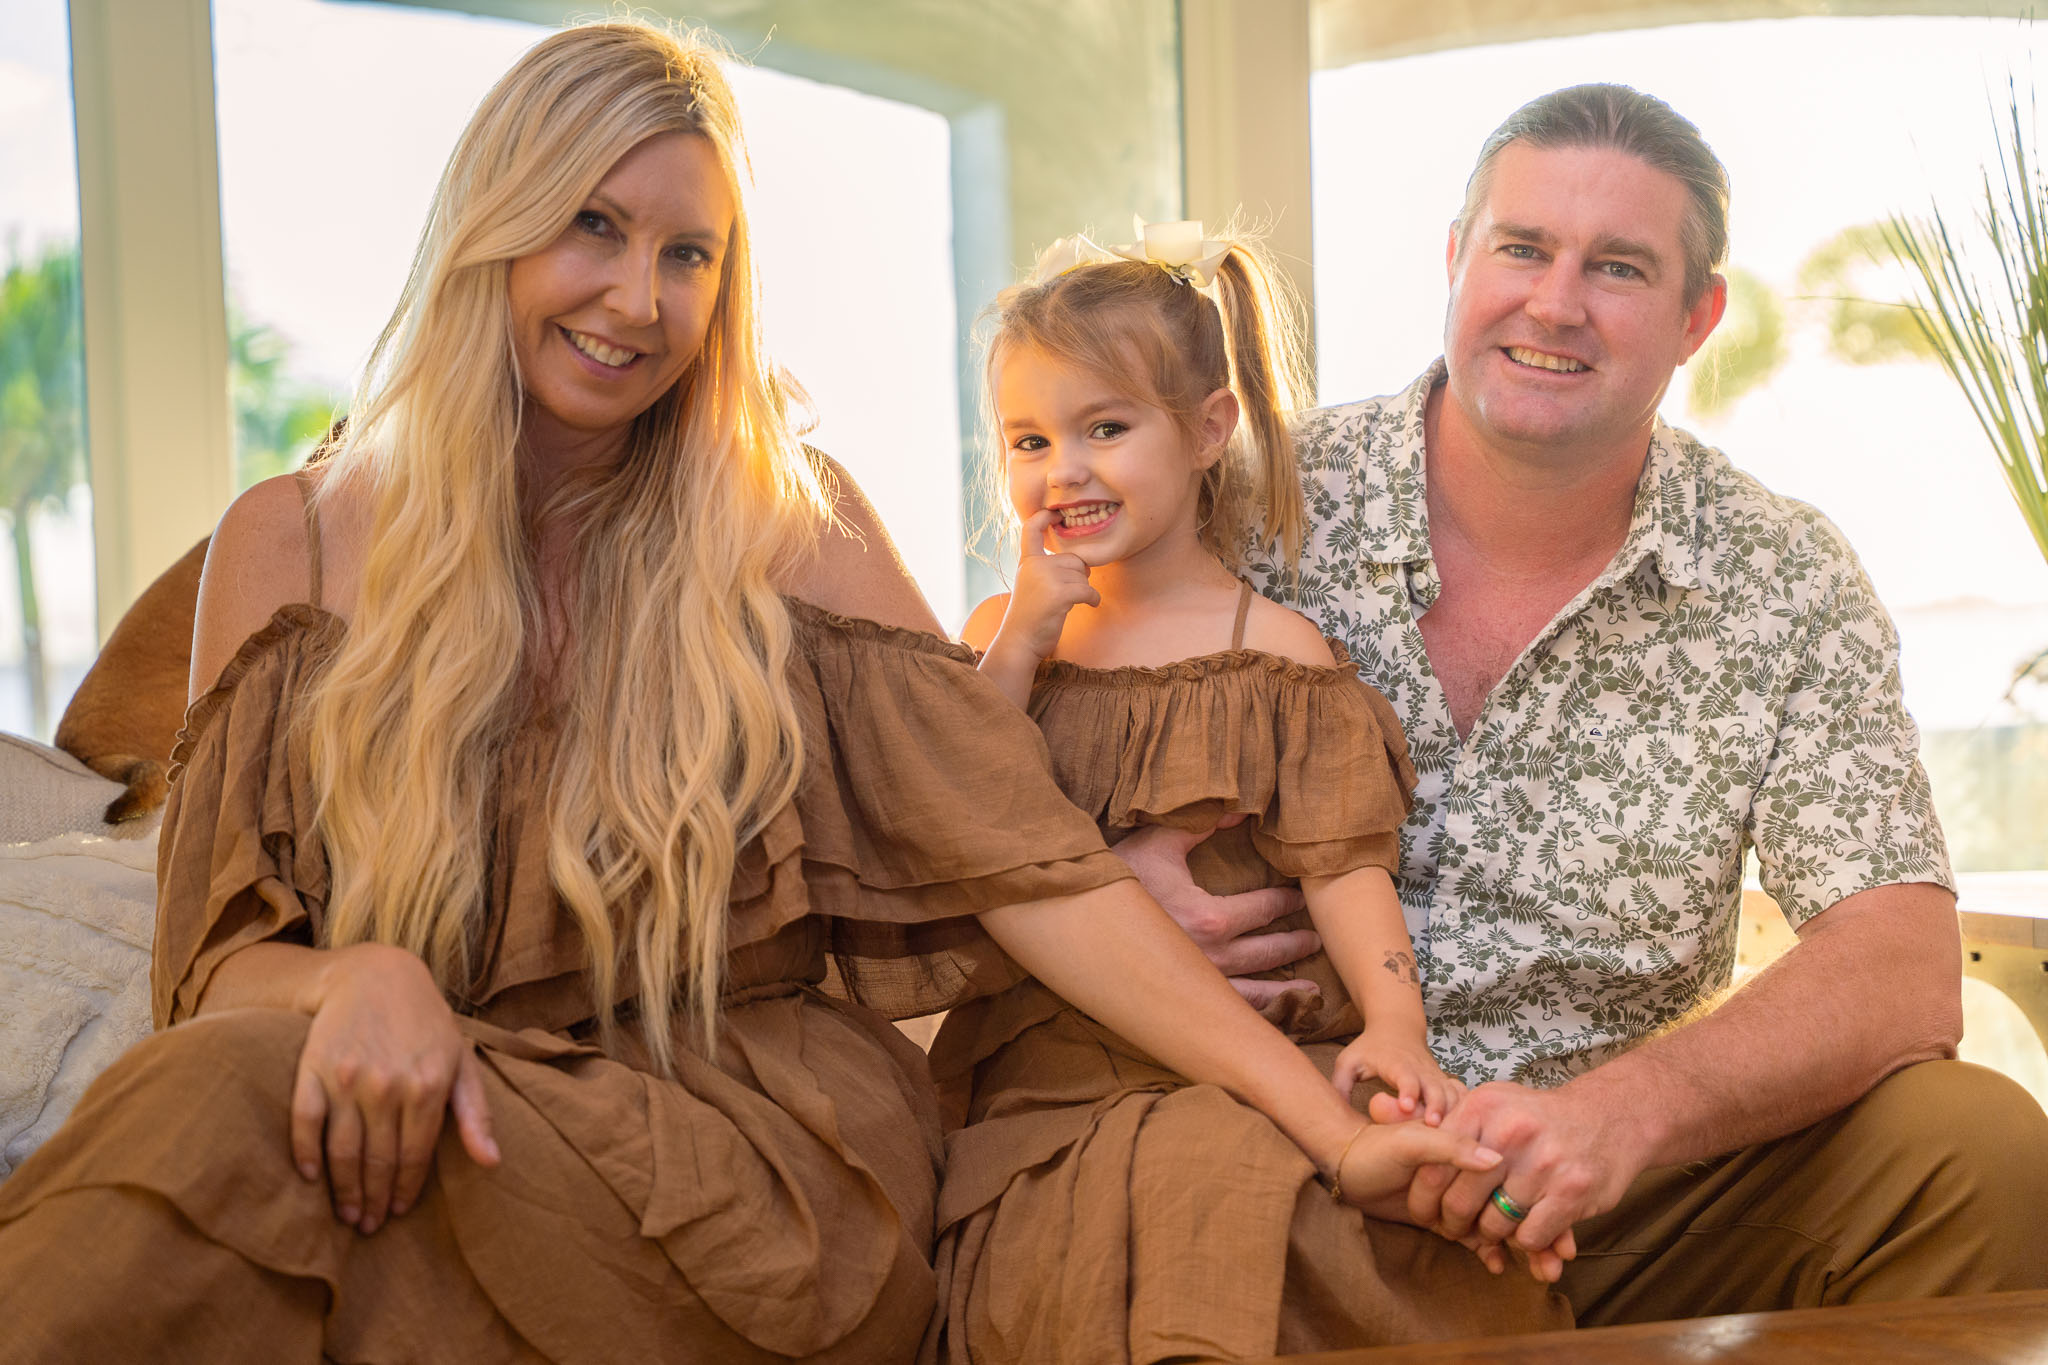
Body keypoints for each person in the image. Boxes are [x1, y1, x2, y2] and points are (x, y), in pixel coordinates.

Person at [0, 21, 1504, 1362]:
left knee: (229, 1117)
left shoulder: (789, 520)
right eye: (593, 226)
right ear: (491, 226)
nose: (638, 299)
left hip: (760, 1163)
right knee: (236, 1117)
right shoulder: (292, 539)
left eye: (689, 255)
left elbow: (1026, 864)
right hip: (433, 1116)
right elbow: (215, 965)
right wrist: (350, 982)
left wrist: (1331, 1132)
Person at [1110, 82, 2048, 1325]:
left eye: (1616, 267)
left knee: (1972, 1145)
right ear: (1454, 259)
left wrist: (1617, 1117)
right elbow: (1001, 756)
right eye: (1521, 248)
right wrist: (1112, 876)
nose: (1554, 304)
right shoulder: (1242, 502)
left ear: (1695, 317)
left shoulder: (1782, 576)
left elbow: (1899, 969)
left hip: (1613, 1197)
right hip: (1276, 1150)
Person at [925, 228, 1573, 1363]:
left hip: (1264, 1036)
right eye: (1030, 441)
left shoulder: (1276, 654)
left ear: (1207, 430)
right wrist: (1021, 635)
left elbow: (1343, 866)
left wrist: (1397, 1026)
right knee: (1144, 1199)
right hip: (1058, 1058)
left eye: (1105, 429)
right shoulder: (1002, 638)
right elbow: (954, 806)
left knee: (1304, 1210)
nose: (1062, 469)